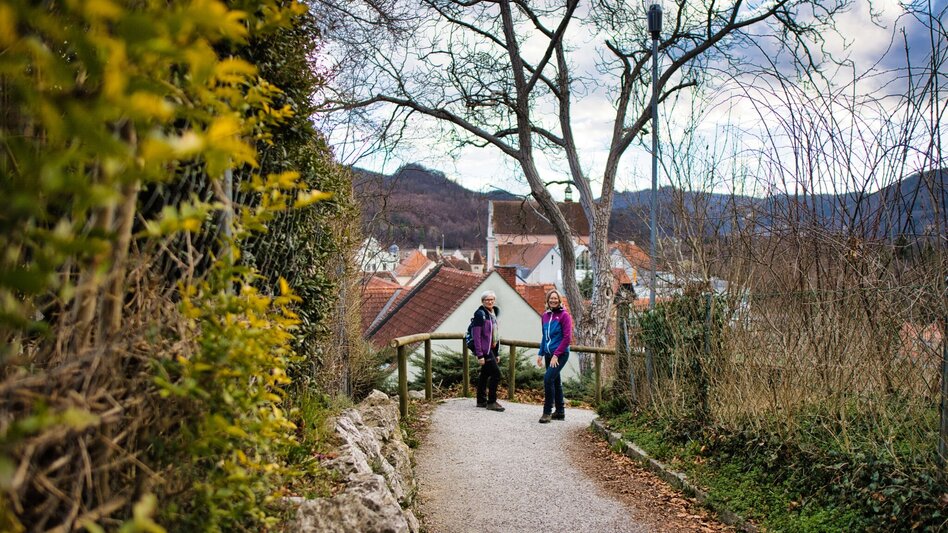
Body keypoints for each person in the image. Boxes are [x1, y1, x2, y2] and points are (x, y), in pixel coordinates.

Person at [536, 289, 572, 423]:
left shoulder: (564, 316)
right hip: (548, 354)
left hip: (561, 354)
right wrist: (540, 353)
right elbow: (545, 337)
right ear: (547, 300)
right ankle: (560, 412)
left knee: (548, 379)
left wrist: (556, 355)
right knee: (555, 382)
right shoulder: (545, 316)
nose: (553, 301)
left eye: (555, 299)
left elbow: (567, 338)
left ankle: (547, 412)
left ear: (559, 300)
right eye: (551, 299)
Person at [472, 290, 504, 412]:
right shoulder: (480, 314)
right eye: (487, 300)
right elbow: (477, 336)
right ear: (482, 301)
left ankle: (481, 400)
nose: (489, 302)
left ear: (494, 301)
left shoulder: (493, 313)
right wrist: (479, 354)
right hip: (485, 350)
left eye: (491, 300)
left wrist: (497, 353)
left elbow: (495, 334)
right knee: (496, 374)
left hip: (492, 349)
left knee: (485, 374)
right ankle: (491, 402)